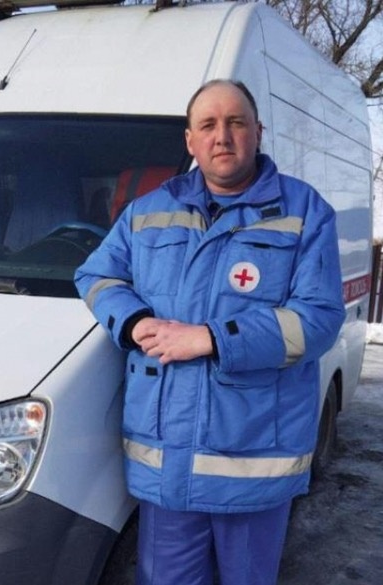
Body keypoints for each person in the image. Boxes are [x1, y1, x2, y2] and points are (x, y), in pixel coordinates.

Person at [74, 79, 346, 585]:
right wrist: (134, 321)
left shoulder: (304, 211)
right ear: (190, 140)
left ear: (257, 132)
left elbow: (319, 319)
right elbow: (95, 276)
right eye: (208, 125)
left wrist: (214, 338)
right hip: (167, 465)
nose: (222, 136)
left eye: (235, 122)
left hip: (252, 464)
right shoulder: (148, 211)